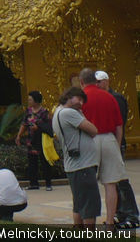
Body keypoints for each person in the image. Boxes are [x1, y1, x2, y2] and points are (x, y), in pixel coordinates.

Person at [79, 67, 127, 228]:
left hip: (89, 141)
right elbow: (119, 126)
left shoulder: (81, 98)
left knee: (87, 183)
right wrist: (117, 145)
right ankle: (110, 220)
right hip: (109, 139)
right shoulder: (109, 97)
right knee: (111, 183)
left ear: (81, 82)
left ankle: (87, 221)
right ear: (96, 80)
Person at [95, 71, 139, 229]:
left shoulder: (116, 98)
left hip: (115, 143)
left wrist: (116, 143)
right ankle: (120, 212)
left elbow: (119, 123)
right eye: (96, 82)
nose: (98, 85)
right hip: (108, 142)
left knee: (120, 180)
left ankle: (131, 214)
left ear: (106, 81)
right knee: (112, 181)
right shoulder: (103, 98)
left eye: (100, 82)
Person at [53, 86, 100, 228]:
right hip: (83, 166)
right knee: (89, 205)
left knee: (79, 203)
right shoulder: (68, 113)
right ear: (69, 96)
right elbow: (93, 130)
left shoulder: (58, 112)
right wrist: (80, 114)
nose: (81, 103)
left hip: (76, 165)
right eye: (79, 99)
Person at [15, 91, 53, 191]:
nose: (29, 101)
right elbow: (24, 124)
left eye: (30, 99)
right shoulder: (28, 111)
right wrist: (19, 135)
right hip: (31, 140)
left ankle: (48, 183)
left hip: (41, 140)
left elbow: (49, 126)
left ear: (36, 101)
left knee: (45, 162)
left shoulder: (44, 112)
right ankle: (33, 183)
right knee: (32, 163)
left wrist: (38, 128)